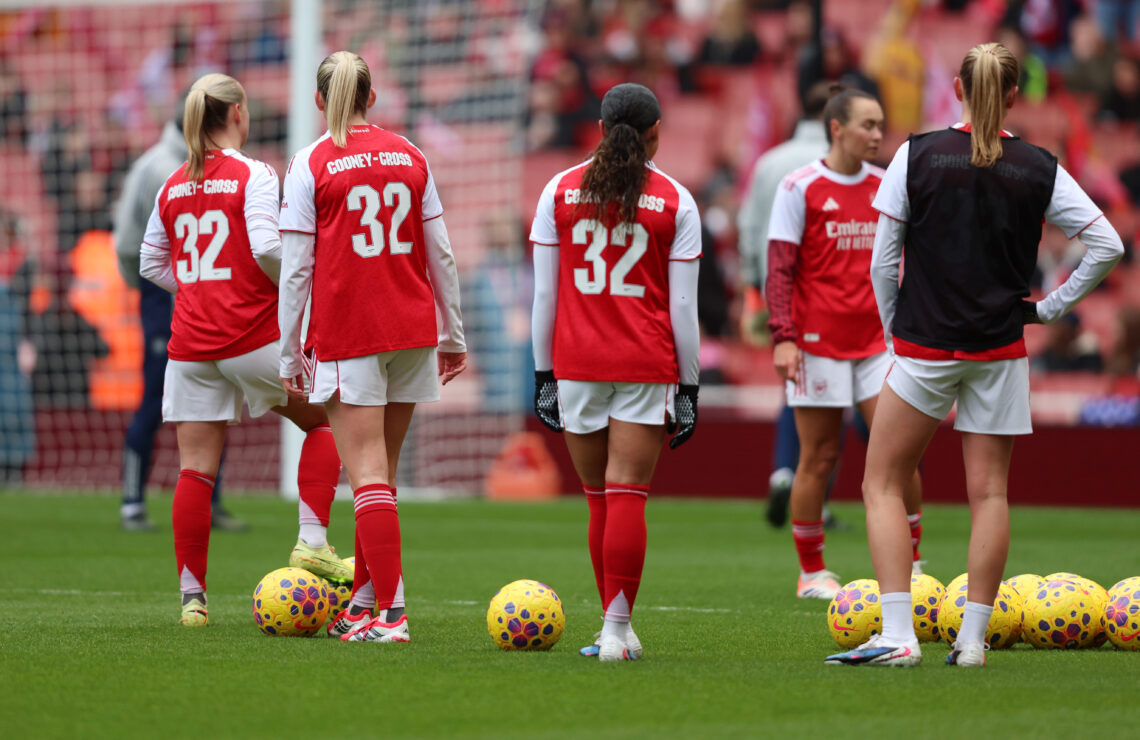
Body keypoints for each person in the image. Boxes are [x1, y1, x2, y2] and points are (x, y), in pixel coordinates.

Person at [826, 43, 1123, 668]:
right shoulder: (1038, 165)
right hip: (1000, 349)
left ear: (958, 90)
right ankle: (972, 642)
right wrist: (1046, 309)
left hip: (923, 347)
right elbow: (1107, 244)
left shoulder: (916, 154)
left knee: (880, 483)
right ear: (1014, 95)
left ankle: (901, 636)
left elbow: (883, 262)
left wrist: (890, 331)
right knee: (989, 494)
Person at [140, 73, 349, 626]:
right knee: (329, 420)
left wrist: (198, 287)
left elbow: (149, 264)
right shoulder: (253, 173)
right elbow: (266, 246)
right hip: (249, 335)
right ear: (236, 113)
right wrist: (303, 283)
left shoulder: (172, 183)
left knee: (195, 471)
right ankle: (311, 540)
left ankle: (192, 600)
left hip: (188, 345)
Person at [278, 51, 467, 644]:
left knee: (366, 478)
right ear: (372, 97)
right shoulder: (410, 154)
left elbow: (295, 272)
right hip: (411, 329)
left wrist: (288, 354)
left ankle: (392, 614)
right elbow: (442, 253)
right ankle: (362, 604)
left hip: (350, 332)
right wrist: (453, 334)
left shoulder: (311, 163)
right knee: (379, 474)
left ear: (318, 101)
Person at [530, 83, 701, 662]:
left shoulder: (557, 190)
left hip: (577, 363)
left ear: (599, 130)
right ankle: (615, 631)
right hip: (645, 362)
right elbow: (682, 309)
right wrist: (690, 385)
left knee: (598, 498)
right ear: (655, 132)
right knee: (629, 494)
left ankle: (614, 632)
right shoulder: (676, 200)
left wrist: (542, 374)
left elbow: (544, 297)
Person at [766, 86, 923, 601]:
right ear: (836, 128)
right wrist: (784, 339)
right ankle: (811, 572)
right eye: (868, 125)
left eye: (881, 125)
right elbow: (780, 270)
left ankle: (915, 564)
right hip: (816, 344)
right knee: (819, 457)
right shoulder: (799, 186)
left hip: (879, 343)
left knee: (899, 455)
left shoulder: (887, 185)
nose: (878, 135)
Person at [114, 94, 247, 532]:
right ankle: (133, 501)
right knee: (157, 396)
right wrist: (155, 292)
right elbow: (131, 246)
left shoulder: (201, 165)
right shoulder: (158, 169)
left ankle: (211, 501)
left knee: (218, 392)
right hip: (169, 293)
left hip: (203, 292)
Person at [737, 80, 830, 527]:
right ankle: (816, 498)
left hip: (779, 287)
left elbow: (749, 227)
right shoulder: (840, 164)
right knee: (830, 393)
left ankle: (782, 472)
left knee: (794, 386)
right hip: (828, 291)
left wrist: (755, 286)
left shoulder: (770, 162)